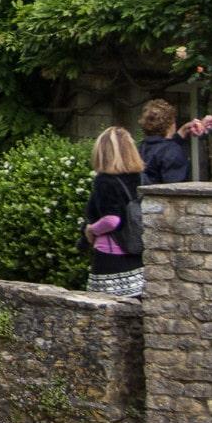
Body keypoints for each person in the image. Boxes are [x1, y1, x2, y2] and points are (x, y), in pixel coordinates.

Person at [84, 125, 146, 298]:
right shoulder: (139, 177)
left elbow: (112, 220)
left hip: (110, 253)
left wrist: (91, 229)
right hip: (135, 251)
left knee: (105, 313)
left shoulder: (104, 181)